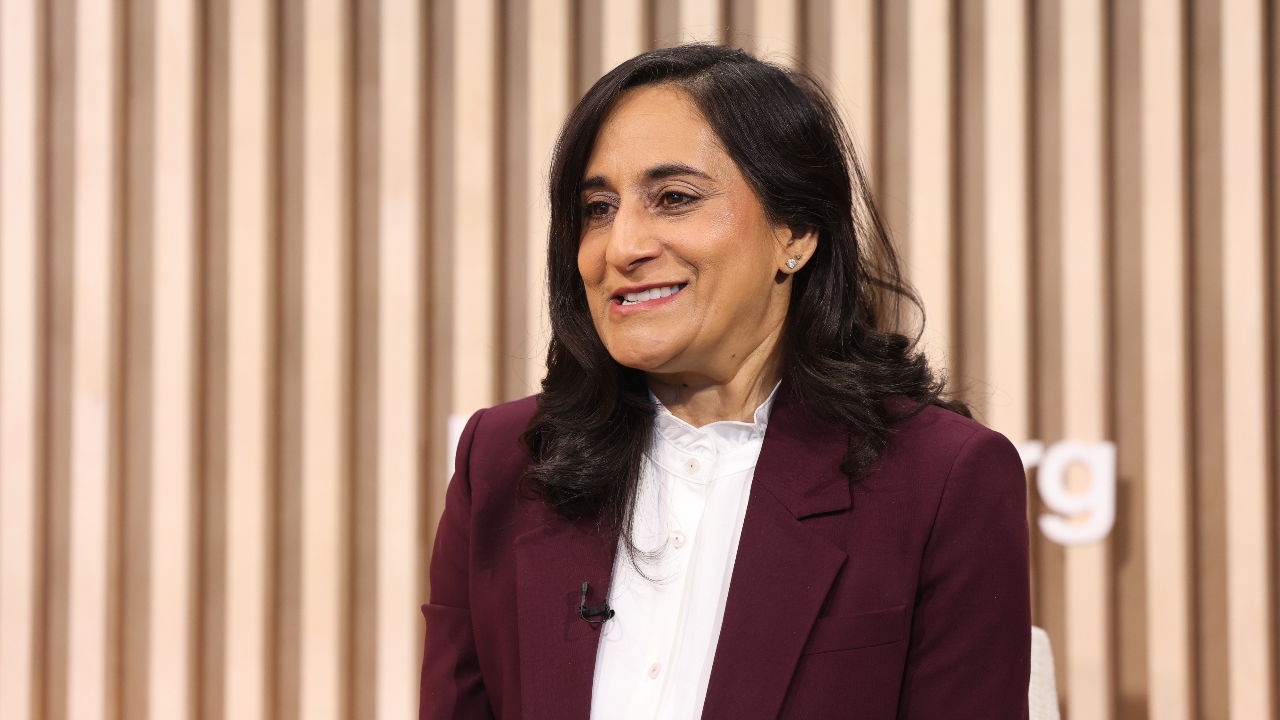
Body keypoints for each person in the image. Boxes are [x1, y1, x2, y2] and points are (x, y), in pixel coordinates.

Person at [421, 44, 1030, 720]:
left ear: (795, 231)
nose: (621, 247)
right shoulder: (503, 461)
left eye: (674, 199)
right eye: (598, 208)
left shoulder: (941, 478)